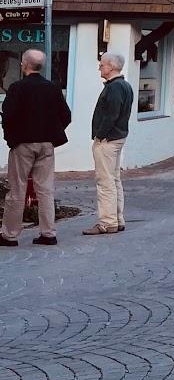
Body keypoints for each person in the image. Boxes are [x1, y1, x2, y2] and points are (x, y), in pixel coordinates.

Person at [0, 49, 72, 247]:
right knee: (46, 190)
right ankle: (48, 233)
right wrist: (51, 133)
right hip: (46, 144)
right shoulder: (53, 88)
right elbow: (66, 116)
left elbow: (8, 116)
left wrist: (11, 139)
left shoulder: (17, 88)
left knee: (17, 189)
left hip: (22, 144)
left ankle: (10, 235)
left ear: (24, 65)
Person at [82, 52, 133, 236]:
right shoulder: (124, 85)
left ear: (111, 66)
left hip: (109, 139)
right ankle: (117, 219)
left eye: (102, 64)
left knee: (105, 181)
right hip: (117, 137)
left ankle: (107, 222)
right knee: (114, 179)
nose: (100, 68)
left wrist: (101, 135)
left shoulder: (114, 87)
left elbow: (112, 114)